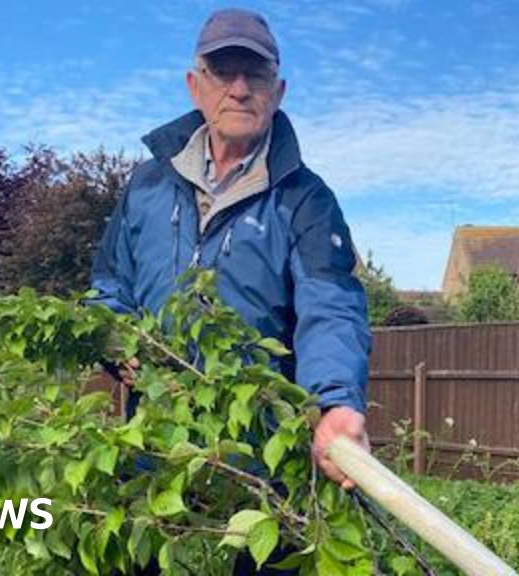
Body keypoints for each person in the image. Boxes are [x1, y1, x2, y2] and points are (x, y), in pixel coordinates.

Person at [90, 7, 371, 494]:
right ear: (195, 85)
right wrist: (113, 339)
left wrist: (337, 400)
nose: (239, 89)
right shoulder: (146, 184)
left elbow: (330, 306)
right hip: (156, 448)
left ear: (278, 91)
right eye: (223, 71)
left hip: (261, 463)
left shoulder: (306, 199)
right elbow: (111, 286)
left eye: (255, 73)